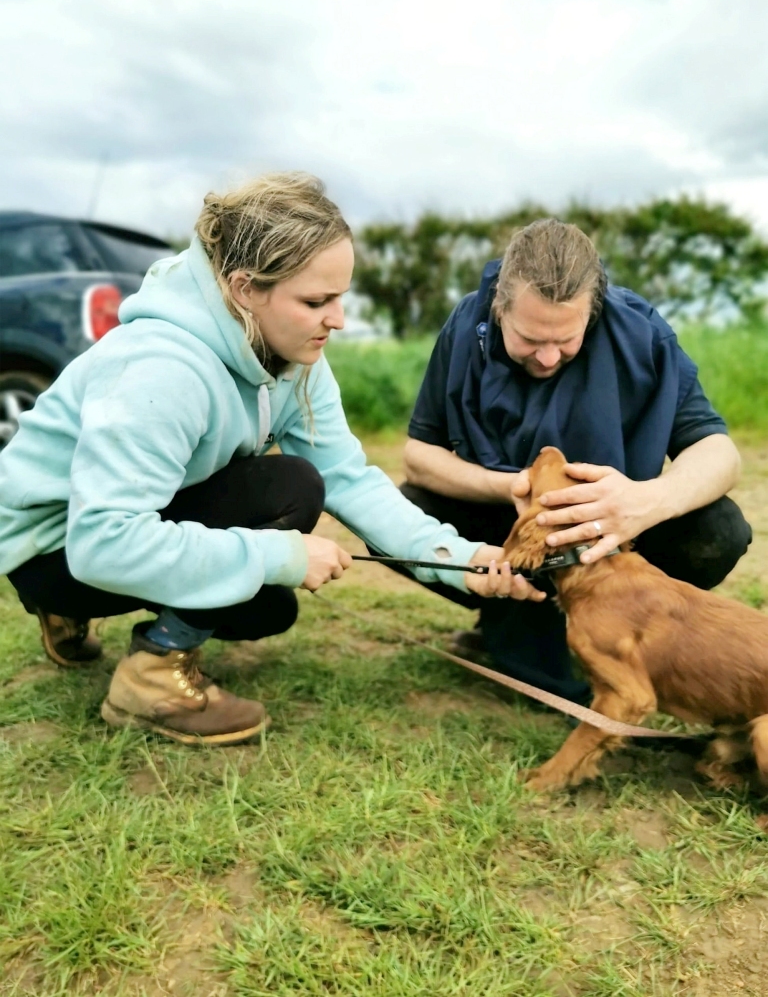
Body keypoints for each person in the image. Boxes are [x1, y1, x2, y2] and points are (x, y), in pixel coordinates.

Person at [0, 173, 527, 746]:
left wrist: (462, 556)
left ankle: (76, 618)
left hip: (116, 524)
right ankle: (150, 676)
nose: (339, 320)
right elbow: (102, 543)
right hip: (54, 543)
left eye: (341, 296)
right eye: (316, 301)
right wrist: (278, 553)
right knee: (289, 490)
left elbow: (349, 477)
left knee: (264, 611)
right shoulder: (161, 370)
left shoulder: (296, 358)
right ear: (246, 288)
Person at [400, 218, 751, 704]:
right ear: (500, 307)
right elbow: (419, 456)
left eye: (566, 339)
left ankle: (623, 630)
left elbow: (720, 452)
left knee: (719, 531)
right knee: (405, 511)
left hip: (614, 540)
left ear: (594, 312)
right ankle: (506, 618)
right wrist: (506, 487)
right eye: (528, 338)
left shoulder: (644, 333)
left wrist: (647, 500)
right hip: (509, 524)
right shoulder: (463, 326)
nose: (546, 358)